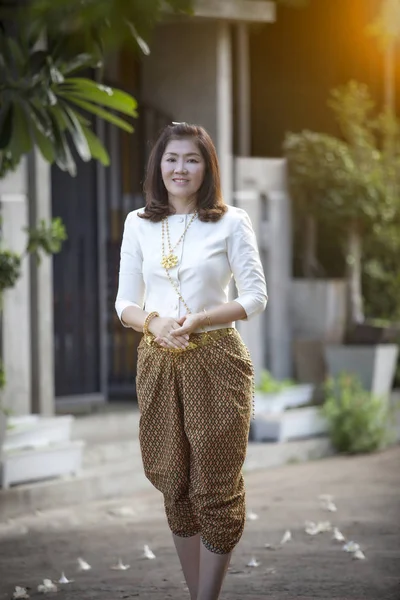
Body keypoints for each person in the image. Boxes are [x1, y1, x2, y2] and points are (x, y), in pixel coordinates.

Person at [115, 122, 267, 600]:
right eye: (172, 159)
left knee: (215, 485)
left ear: (207, 168)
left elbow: (256, 297)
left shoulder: (231, 221)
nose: (180, 168)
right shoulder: (137, 222)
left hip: (217, 361)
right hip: (157, 361)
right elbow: (123, 304)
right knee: (174, 483)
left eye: (192, 159)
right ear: (159, 167)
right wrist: (154, 323)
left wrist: (199, 319)